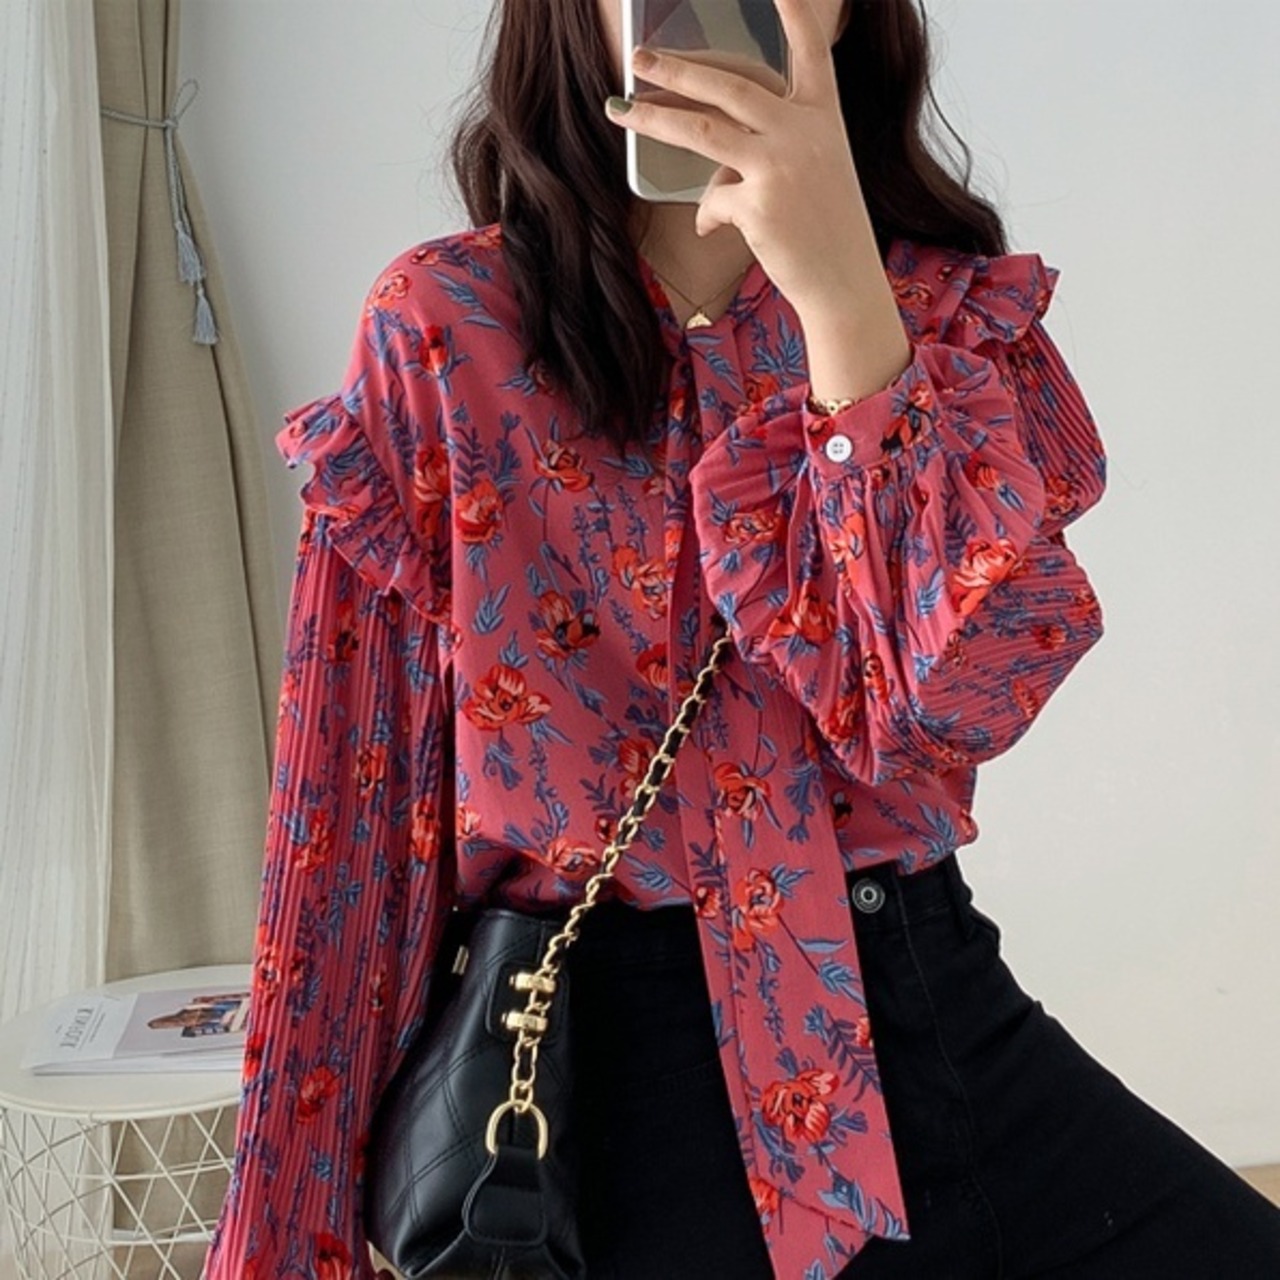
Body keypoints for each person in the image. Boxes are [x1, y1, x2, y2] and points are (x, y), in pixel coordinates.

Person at [202, 0, 1280, 1276]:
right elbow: (348, 831)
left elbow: (961, 702)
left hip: (931, 1027)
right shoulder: (444, 328)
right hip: (601, 1098)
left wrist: (844, 308)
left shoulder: (940, 317)